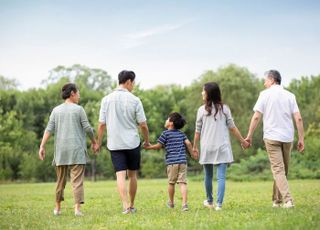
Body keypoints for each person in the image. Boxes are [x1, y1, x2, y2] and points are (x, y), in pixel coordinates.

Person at [245, 70, 304, 208]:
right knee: (282, 170)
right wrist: (301, 138)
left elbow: (256, 116)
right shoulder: (290, 96)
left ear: (272, 80)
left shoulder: (264, 95)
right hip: (287, 137)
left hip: (271, 137)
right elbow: (299, 118)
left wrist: (249, 135)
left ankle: (287, 201)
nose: (264, 83)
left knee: (279, 170)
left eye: (265, 80)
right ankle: (277, 201)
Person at [38, 83, 98, 217]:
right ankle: (77, 210)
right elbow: (87, 128)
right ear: (72, 93)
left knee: (60, 181)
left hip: (61, 151)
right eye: (78, 93)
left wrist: (42, 146)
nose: (79, 96)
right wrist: (94, 142)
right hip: (76, 150)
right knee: (77, 181)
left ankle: (57, 209)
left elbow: (49, 129)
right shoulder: (79, 109)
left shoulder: (56, 110)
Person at [95, 70, 150, 214]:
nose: (134, 86)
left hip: (115, 143)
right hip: (132, 142)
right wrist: (147, 141)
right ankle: (131, 205)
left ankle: (125, 206)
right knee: (132, 175)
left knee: (120, 175)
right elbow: (143, 125)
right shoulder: (135, 100)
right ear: (128, 82)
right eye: (133, 83)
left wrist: (98, 143)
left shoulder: (106, 99)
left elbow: (101, 125)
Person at [193, 82, 249, 211]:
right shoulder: (225, 109)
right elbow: (232, 128)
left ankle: (210, 201)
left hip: (207, 147)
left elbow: (197, 131)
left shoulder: (201, 110)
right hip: (222, 146)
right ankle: (218, 205)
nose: (202, 93)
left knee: (208, 176)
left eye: (203, 91)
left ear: (209, 93)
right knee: (221, 177)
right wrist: (243, 141)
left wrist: (195, 147)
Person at [144, 112, 194, 211]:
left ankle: (171, 202)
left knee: (171, 183)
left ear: (170, 123)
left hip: (172, 163)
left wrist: (149, 147)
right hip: (182, 161)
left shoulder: (165, 133)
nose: (166, 120)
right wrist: (192, 153)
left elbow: (158, 146)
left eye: (167, 119)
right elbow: (188, 143)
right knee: (183, 182)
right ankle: (184, 204)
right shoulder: (181, 134)